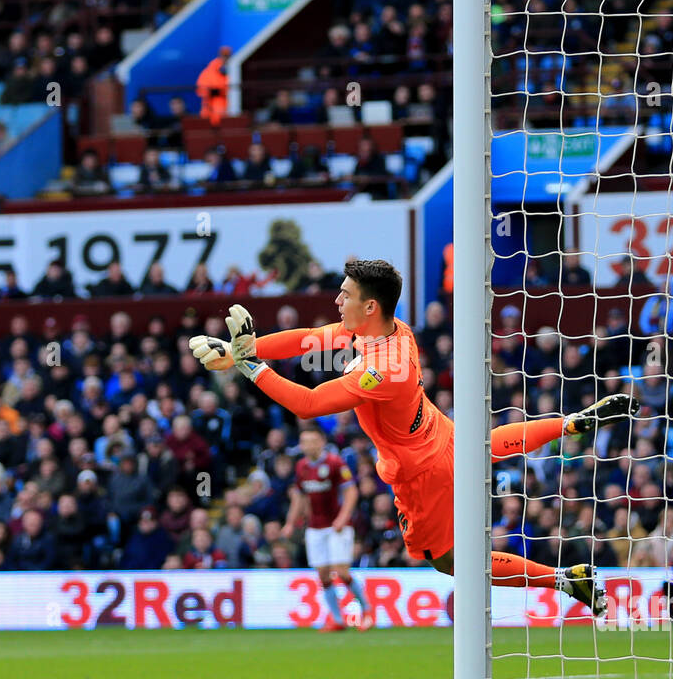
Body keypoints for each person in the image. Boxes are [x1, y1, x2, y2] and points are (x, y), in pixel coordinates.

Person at [189, 259, 640, 610]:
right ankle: (569, 423)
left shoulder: (384, 371)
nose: (336, 302)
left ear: (369, 306)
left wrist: (251, 367)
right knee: (489, 444)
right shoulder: (389, 330)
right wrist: (240, 350)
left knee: (451, 562)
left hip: (421, 472)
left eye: (344, 296)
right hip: (441, 433)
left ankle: (563, 578)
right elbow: (309, 338)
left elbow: (308, 404)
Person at [281, 425, 372, 631]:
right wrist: (290, 523)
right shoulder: (301, 467)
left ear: (322, 442)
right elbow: (300, 497)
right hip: (315, 527)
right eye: (304, 442)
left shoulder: (335, 463)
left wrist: (342, 518)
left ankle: (366, 610)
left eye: (312, 441)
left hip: (337, 526)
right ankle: (338, 620)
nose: (308, 445)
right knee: (322, 574)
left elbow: (351, 492)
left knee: (341, 571)